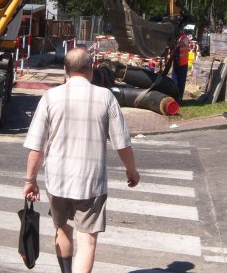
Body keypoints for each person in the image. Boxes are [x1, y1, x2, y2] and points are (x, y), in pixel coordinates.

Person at [23, 48, 140, 273]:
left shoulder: (50, 97)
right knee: (87, 241)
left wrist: (30, 180)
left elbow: (37, 146)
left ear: (65, 70)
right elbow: (122, 143)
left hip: (57, 181)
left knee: (63, 230)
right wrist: (131, 171)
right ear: (91, 69)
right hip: (91, 183)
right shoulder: (106, 97)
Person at [171, 31, 190, 104]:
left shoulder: (185, 38)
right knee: (174, 80)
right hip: (176, 62)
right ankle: (174, 97)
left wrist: (173, 42)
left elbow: (181, 44)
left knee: (181, 83)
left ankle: (179, 99)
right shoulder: (177, 38)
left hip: (183, 64)